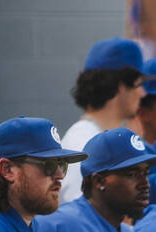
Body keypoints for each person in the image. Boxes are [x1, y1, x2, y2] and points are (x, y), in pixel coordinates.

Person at [60, 37, 148, 203]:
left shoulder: (89, 136)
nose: (143, 93)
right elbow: (79, 220)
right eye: (139, 84)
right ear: (121, 86)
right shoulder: (84, 143)